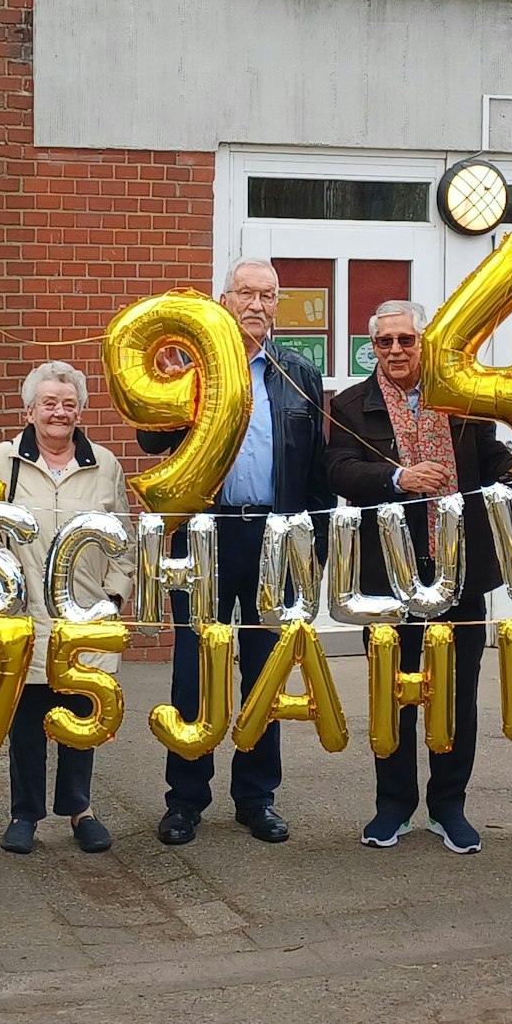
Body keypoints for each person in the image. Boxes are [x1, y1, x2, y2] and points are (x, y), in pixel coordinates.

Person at [142, 258, 330, 846]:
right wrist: (170, 383)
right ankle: (185, 799)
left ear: (278, 304)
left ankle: (256, 797)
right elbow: (151, 441)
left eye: (267, 295)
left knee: (265, 669)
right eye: (245, 292)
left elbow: (316, 466)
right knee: (194, 666)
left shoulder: (297, 371)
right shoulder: (194, 368)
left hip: (274, 537)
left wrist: (315, 545)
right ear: (223, 298)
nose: (256, 303)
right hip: (204, 535)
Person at [325, 300, 512, 853]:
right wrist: (397, 477)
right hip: (388, 573)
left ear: (423, 343)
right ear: (373, 348)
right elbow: (336, 468)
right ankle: (393, 806)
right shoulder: (351, 405)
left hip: (460, 568)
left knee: (457, 691)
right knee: (392, 690)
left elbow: (495, 460)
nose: (396, 351)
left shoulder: (459, 399)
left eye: (406, 340)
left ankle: (449, 806)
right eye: (384, 342)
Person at [0, 361, 136, 855]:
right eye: (49, 403)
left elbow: (125, 538)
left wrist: (115, 593)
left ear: (80, 410)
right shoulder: (1, 463)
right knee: (26, 719)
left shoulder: (105, 464)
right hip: (24, 615)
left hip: (85, 616)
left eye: (69, 404)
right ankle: (24, 815)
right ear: (29, 410)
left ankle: (79, 809)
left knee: (81, 716)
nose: (59, 412)